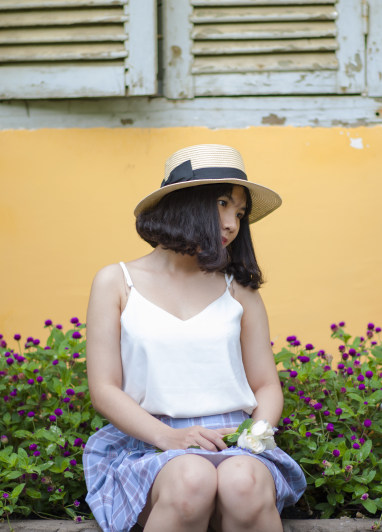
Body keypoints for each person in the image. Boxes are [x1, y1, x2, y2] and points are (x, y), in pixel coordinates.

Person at [82, 144, 306, 532]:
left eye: (239, 212)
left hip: (237, 444)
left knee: (245, 483)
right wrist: (170, 437)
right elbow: (104, 389)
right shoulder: (117, 282)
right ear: (182, 204)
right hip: (151, 443)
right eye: (221, 203)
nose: (233, 223)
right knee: (191, 480)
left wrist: (255, 434)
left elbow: (266, 384)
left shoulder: (239, 290)